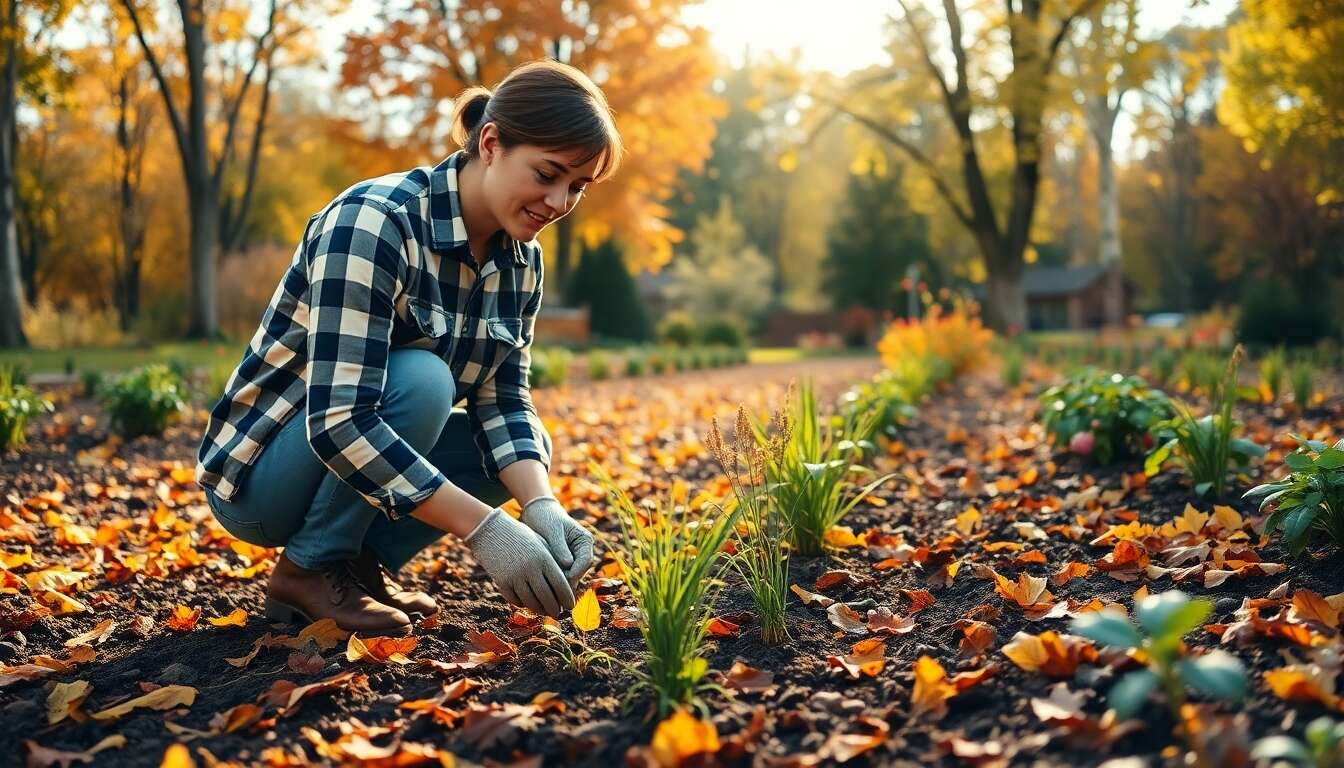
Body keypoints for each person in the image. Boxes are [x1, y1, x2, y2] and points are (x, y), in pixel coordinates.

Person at [194, 60, 621, 635]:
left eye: (577, 186)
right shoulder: (376, 222)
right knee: (423, 382)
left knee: (519, 447)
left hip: (344, 465)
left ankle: (356, 564)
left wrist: (541, 506)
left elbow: (506, 401)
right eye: (547, 174)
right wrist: (487, 528)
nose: (559, 201)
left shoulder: (523, 263)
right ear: (491, 143)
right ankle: (308, 568)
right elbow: (338, 421)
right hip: (264, 477)